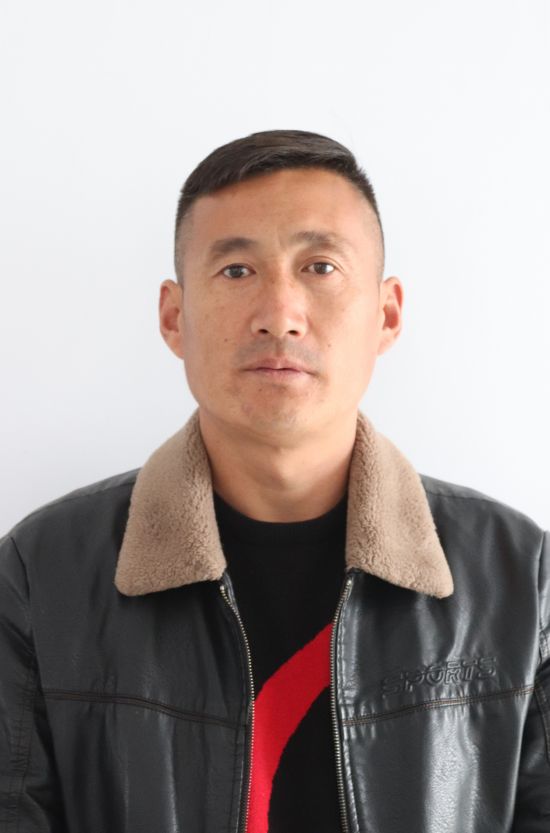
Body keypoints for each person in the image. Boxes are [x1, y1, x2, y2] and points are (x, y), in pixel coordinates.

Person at [0, 129, 548, 833]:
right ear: (174, 317)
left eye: (320, 266)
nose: (280, 315)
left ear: (386, 314)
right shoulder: (41, 573)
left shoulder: (520, 576)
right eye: (236, 271)